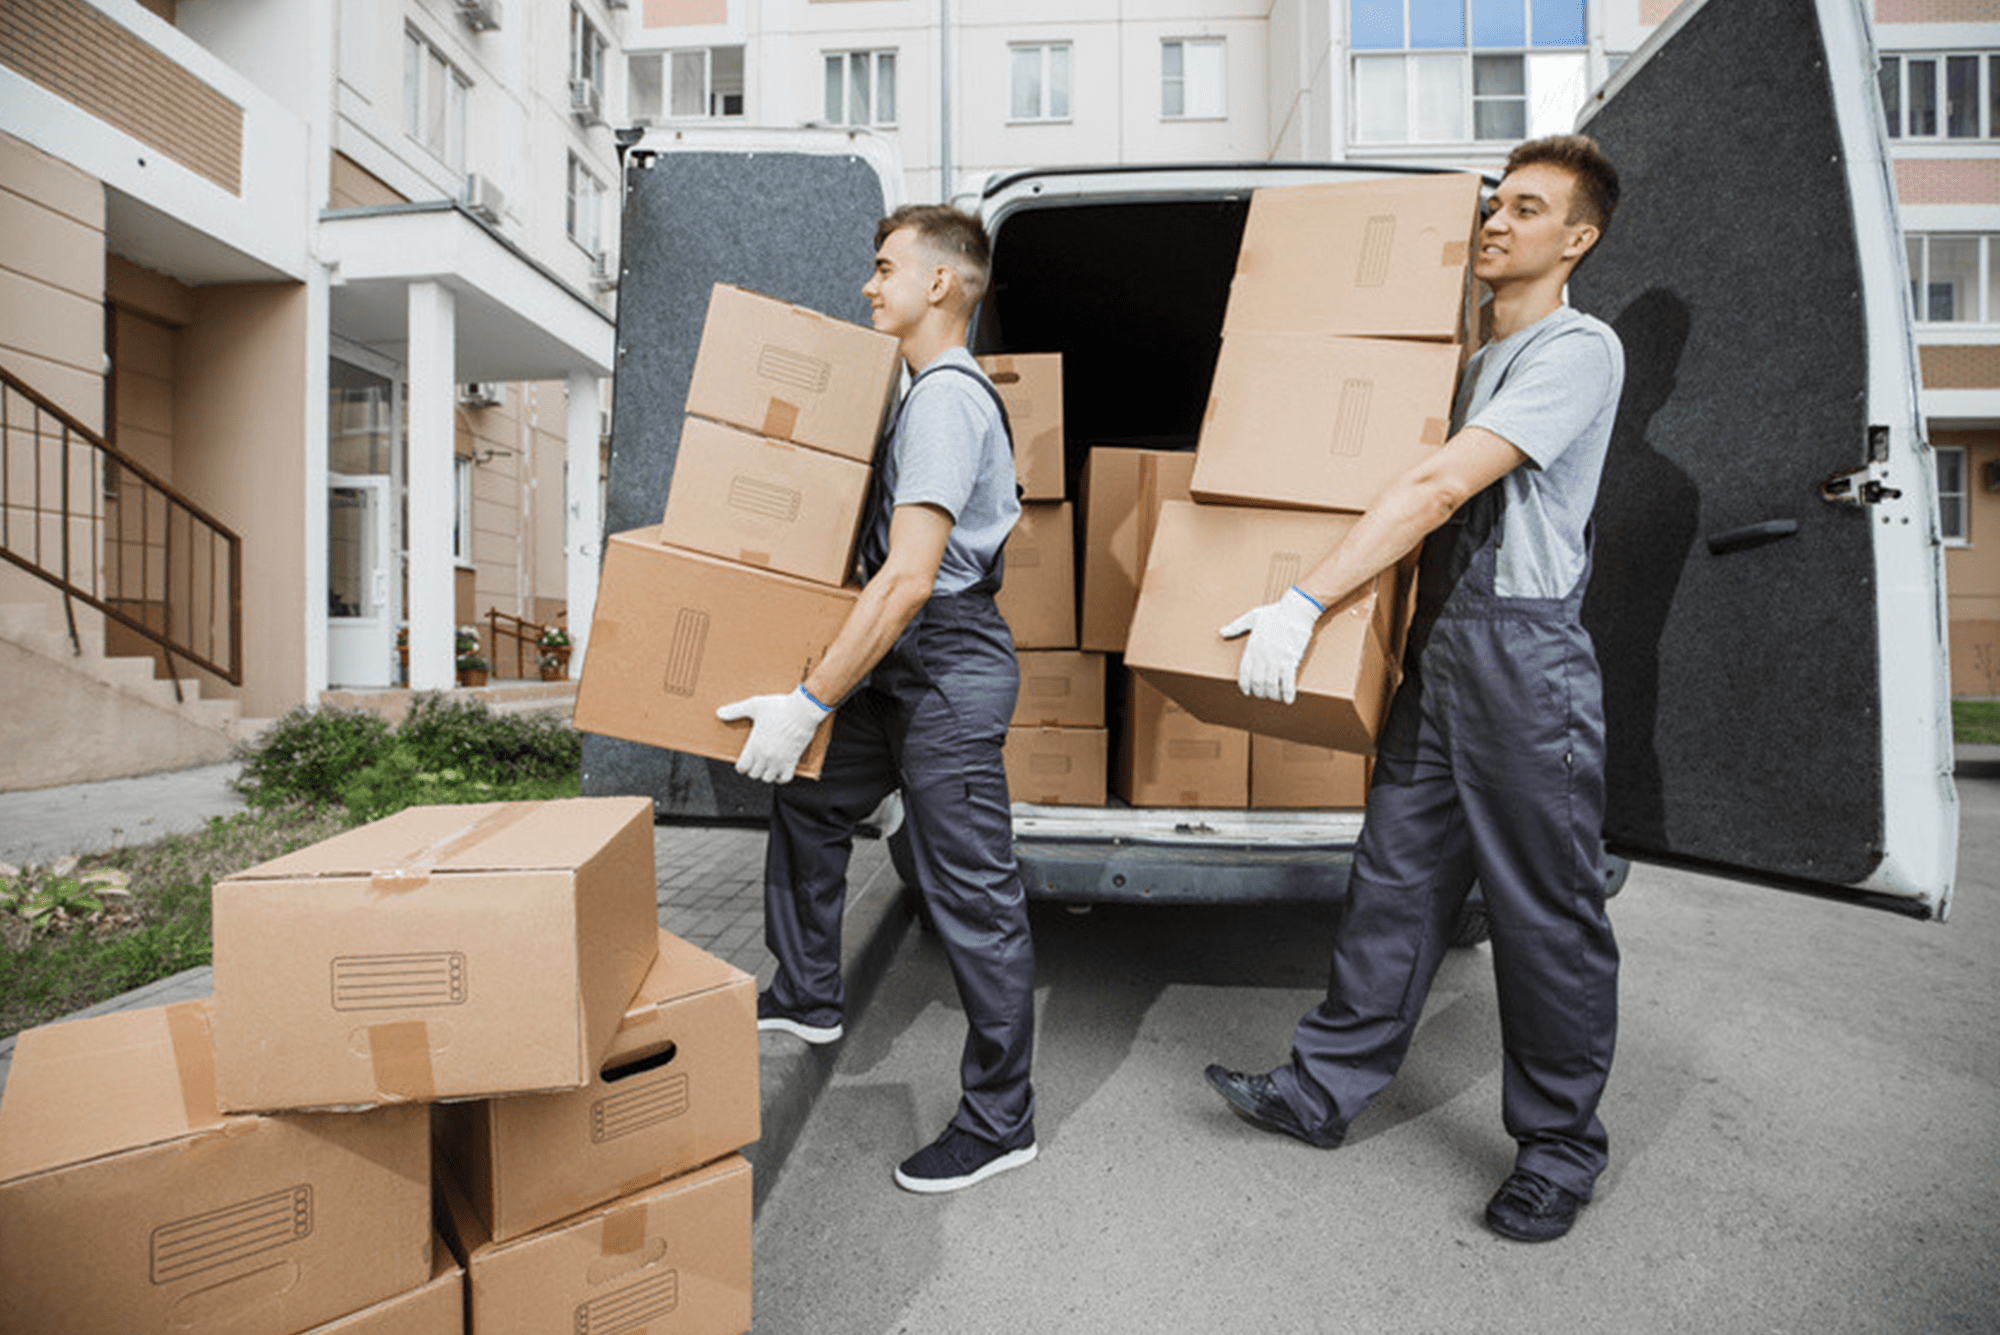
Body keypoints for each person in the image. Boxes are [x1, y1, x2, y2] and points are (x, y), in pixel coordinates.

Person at [1203, 134, 1626, 1243]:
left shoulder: (1575, 349)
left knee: (1542, 909)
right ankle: (1319, 1091)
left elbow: (1440, 483)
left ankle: (1557, 1149)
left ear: (1575, 239)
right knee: (1393, 879)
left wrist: (1305, 604)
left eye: (1526, 210)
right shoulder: (1459, 361)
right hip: (1443, 648)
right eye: (1492, 204)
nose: (1494, 221)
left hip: (1522, 655)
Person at [715, 204, 1038, 1195]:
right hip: (902, 659)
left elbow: (905, 580)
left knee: (971, 894)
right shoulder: (915, 392)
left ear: (939, 283)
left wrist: (809, 699)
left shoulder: (945, 399)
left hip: (940, 662)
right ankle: (809, 994)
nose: (869, 283)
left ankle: (999, 1120)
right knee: (810, 802)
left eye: (884, 266)